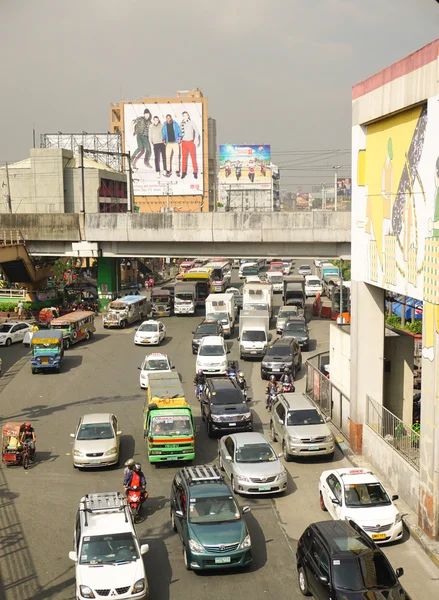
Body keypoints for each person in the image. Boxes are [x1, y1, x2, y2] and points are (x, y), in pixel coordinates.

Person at [180, 111, 200, 180]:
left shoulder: (191, 122)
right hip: (184, 143)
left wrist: (196, 139)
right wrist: (179, 141)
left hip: (191, 142)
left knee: (193, 158)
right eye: (184, 115)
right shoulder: (181, 124)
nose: (186, 117)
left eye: (187, 115)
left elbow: (197, 131)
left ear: (188, 116)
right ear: (183, 116)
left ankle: (195, 172)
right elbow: (180, 134)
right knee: (184, 158)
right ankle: (183, 172)